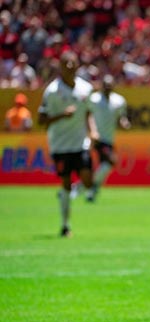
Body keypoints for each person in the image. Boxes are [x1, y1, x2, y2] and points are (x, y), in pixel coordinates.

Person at [38, 51, 95, 237]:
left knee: (88, 181)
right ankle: (65, 225)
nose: (70, 67)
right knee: (65, 182)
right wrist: (62, 115)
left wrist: (92, 130)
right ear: (60, 67)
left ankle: (70, 193)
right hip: (60, 145)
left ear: (78, 65)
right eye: (66, 64)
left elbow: (88, 112)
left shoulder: (86, 88)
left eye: (73, 63)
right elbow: (41, 120)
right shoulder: (52, 91)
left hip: (80, 142)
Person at [83, 74, 131, 202]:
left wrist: (124, 122)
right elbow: (87, 114)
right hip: (95, 137)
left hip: (108, 137)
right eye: (105, 86)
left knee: (107, 164)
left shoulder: (119, 101)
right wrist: (92, 131)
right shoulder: (94, 99)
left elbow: (121, 116)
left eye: (110, 86)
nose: (107, 88)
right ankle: (88, 188)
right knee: (108, 161)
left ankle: (86, 188)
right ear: (101, 86)